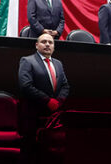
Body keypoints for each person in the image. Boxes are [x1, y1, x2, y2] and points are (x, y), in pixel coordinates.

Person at [18, 33, 70, 163]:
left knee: (49, 153)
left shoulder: (58, 63)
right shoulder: (27, 61)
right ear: (37, 45)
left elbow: (65, 86)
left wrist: (59, 101)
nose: (47, 44)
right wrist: (47, 100)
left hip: (53, 116)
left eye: (50, 42)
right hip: (33, 116)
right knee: (30, 152)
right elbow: (26, 86)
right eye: (44, 42)